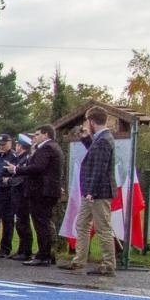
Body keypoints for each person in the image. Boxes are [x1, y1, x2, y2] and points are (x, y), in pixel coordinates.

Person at [63, 106, 117, 277]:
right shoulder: (100, 139)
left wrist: (91, 191)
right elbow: (94, 155)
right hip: (93, 191)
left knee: (103, 228)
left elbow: (99, 168)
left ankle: (109, 264)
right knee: (82, 224)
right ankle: (79, 260)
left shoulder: (104, 140)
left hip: (98, 192)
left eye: (87, 121)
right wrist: (86, 139)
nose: (87, 124)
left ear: (92, 121)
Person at [18, 124, 63, 266]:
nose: (34, 137)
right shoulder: (53, 147)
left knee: (41, 223)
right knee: (44, 222)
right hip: (46, 190)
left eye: (37, 135)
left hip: (42, 191)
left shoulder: (47, 147)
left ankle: (43, 255)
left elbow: (38, 167)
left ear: (46, 135)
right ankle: (47, 253)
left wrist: (17, 169)